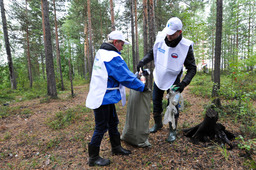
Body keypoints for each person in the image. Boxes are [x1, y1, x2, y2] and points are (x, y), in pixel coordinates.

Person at [86, 30, 147, 167]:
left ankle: (116, 147)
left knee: (113, 122)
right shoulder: (111, 57)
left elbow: (121, 73)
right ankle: (93, 157)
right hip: (102, 97)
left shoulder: (103, 53)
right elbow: (124, 77)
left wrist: (135, 77)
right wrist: (142, 87)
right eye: (121, 44)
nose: (123, 46)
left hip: (104, 96)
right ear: (115, 42)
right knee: (101, 127)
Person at [137, 17, 197, 143]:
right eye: (167, 32)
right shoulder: (161, 38)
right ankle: (158, 124)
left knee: (172, 106)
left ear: (179, 32)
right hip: (159, 76)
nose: (168, 36)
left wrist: (183, 84)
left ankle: (172, 130)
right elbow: (152, 53)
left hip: (174, 80)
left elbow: (192, 68)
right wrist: (143, 61)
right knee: (156, 101)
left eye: (172, 34)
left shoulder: (185, 47)